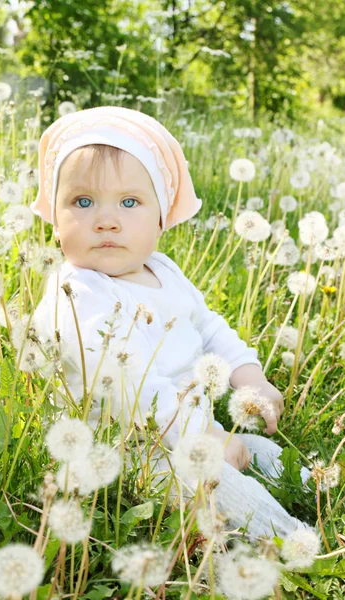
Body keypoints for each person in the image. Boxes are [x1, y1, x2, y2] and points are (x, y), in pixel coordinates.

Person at [30, 106, 314, 540]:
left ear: (162, 218)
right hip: (128, 450)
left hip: (188, 425)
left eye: (129, 202)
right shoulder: (79, 294)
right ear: (54, 218)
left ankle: (318, 491)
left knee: (264, 453)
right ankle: (290, 543)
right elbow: (128, 384)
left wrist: (248, 375)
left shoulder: (163, 270)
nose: (106, 219)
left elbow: (208, 326)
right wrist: (201, 436)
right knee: (219, 487)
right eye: (82, 201)